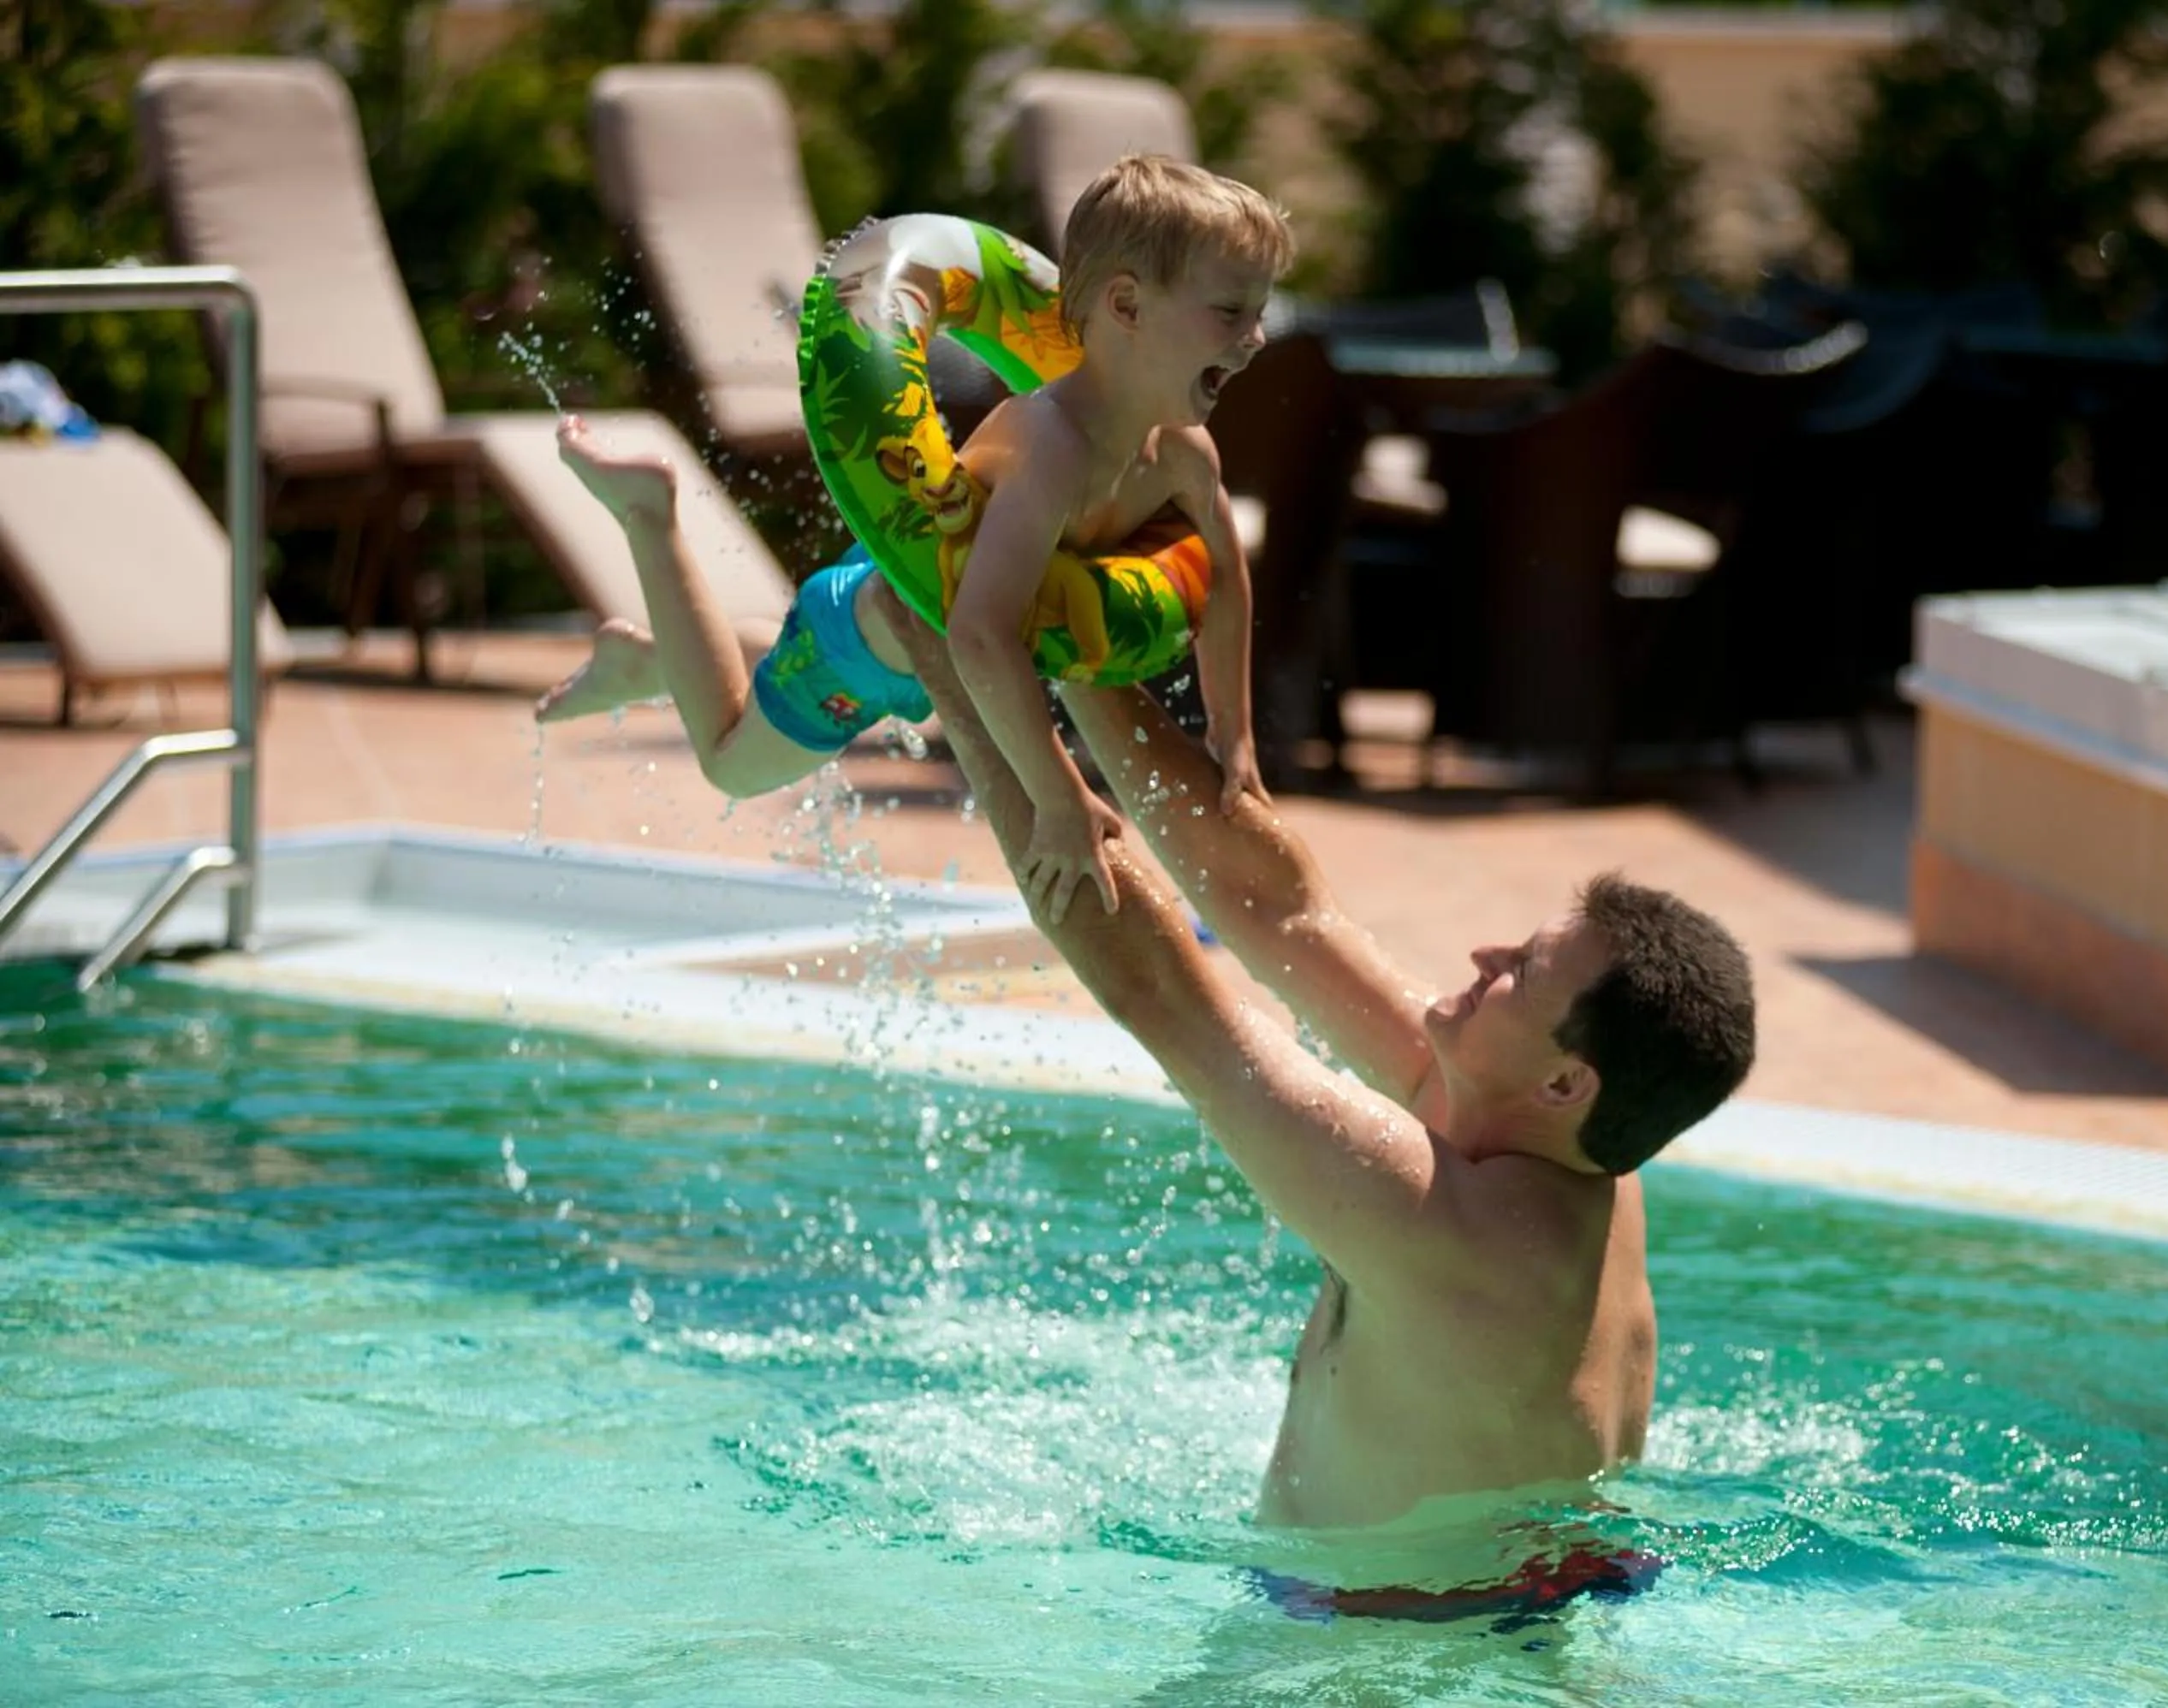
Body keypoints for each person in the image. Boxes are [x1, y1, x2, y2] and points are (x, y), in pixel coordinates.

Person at [881, 596, 1758, 1609]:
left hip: (1362, 1664)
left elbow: (1157, 990)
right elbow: (1283, 906)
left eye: (1523, 968)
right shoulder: (1582, 1147)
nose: (1485, 955)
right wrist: (1068, 645)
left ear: (1566, 1080)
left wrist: (948, 650)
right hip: (1512, 1620)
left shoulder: (1442, 1222)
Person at [535, 155, 1289, 921]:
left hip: (908, 638)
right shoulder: (1053, 448)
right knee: (732, 759)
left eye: (1259, 311)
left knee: (775, 658)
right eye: (1231, 313)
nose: (1257, 338)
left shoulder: (1186, 454)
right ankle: (651, 517)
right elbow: (982, 638)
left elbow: (1223, 581)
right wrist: (1060, 796)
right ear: (1126, 306)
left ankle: (652, 659)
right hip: (864, 648)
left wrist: (1234, 733)